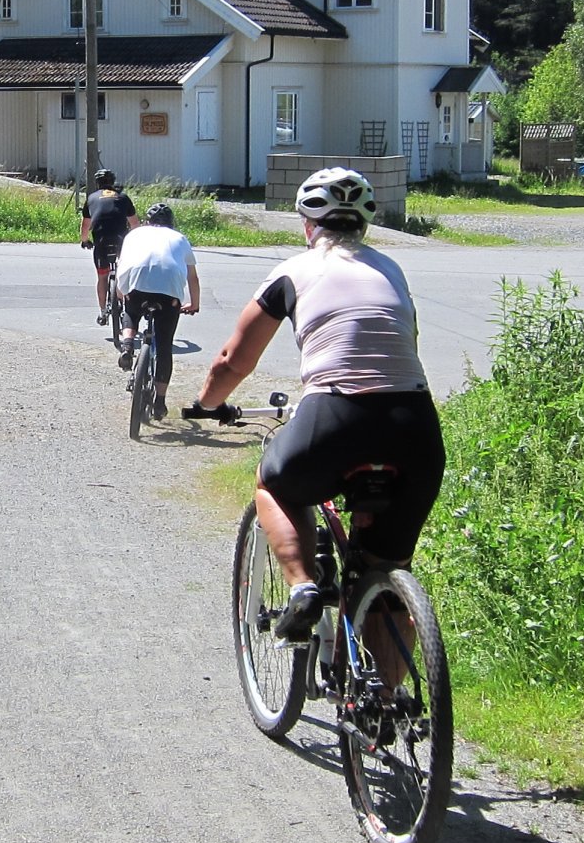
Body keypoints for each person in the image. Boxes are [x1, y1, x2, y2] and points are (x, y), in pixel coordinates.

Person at [191, 167, 444, 642]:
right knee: (385, 574)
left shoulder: (293, 271)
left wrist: (206, 405)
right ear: (363, 226)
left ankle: (303, 588)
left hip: (337, 414)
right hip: (416, 425)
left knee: (275, 484)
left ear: (308, 225)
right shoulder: (391, 269)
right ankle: (390, 705)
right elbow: (407, 339)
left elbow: (232, 361)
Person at [114, 202, 201, 421]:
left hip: (137, 284)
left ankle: (127, 345)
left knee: (131, 312)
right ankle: (160, 401)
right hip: (168, 293)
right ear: (171, 223)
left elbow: (122, 264)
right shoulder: (180, 238)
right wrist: (194, 304)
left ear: (146, 221)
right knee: (164, 347)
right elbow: (192, 277)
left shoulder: (134, 235)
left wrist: (121, 292)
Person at [79, 168, 138, 323]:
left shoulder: (91, 198)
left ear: (97, 183)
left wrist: (85, 241)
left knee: (102, 276)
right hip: (121, 240)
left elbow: (85, 226)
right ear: (113, 182)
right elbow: (135, 224)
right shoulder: (123, 197)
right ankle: (126, 305)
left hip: (101, 240)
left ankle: (103, 312)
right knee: (123, 273)